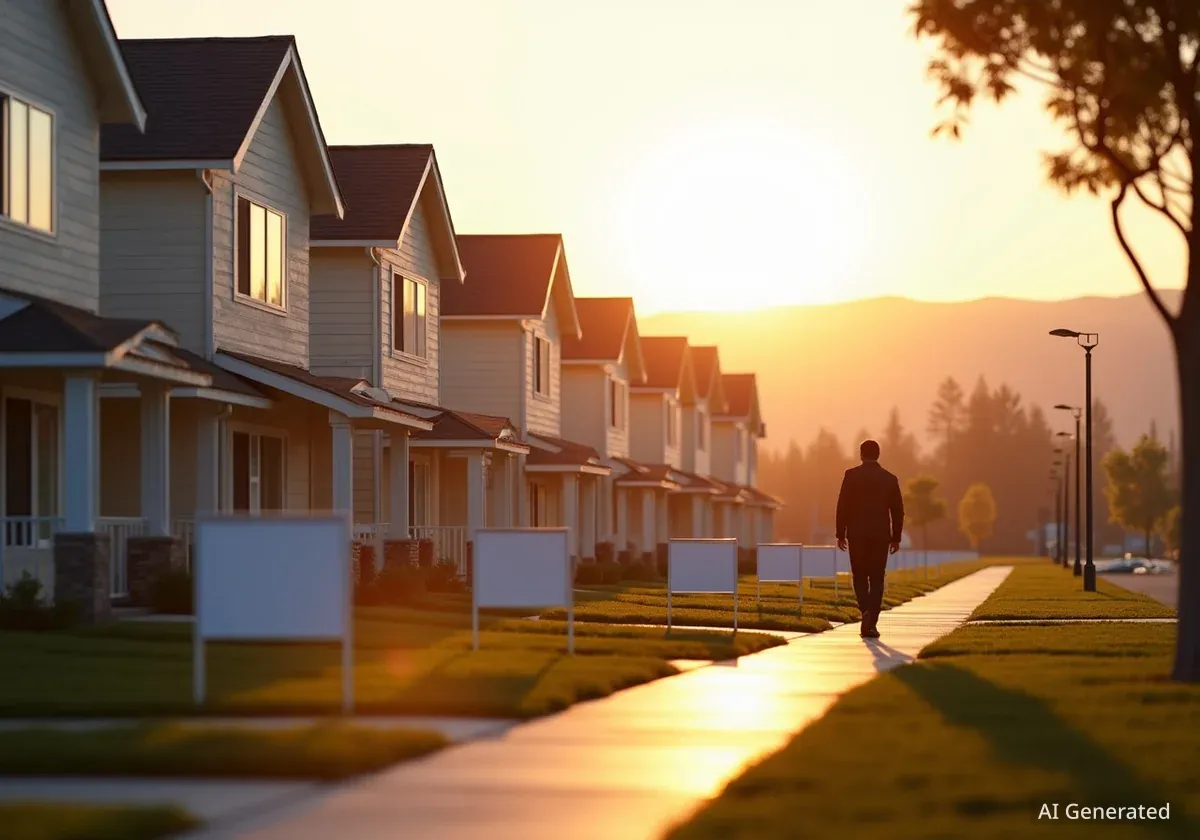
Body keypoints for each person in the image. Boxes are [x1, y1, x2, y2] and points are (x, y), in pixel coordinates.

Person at [835, 439, 904, 639]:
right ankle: (871, 621)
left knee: (859, 576)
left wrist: (840, 533)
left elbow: (843, 506)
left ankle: (865, 610)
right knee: (876, 578)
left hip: (856, 535)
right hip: (880, 536)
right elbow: (898, 511)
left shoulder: (851, 476)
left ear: (861, 454)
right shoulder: (890, 479)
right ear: (878, 454)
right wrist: (896, 538)